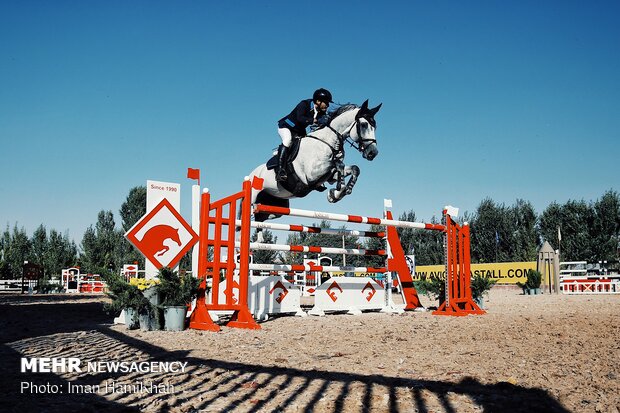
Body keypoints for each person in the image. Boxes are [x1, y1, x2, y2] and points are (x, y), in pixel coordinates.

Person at [276, 88, 333, 181]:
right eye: (326, 102)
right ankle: (280, 171)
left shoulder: (321, 112)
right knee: (287, 140)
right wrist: (315, 120)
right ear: (318, 101)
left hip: (299, 130)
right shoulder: (304, 104)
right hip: (286, 127)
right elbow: (300, 118)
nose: (327, 105)